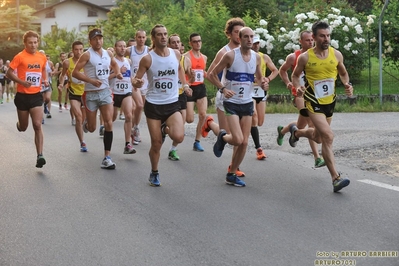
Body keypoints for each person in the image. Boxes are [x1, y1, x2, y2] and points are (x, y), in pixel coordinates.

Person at [291, 21, 353, 192]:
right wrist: (297, 87)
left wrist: (347, 84)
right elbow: (295, 76)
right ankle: (335, 178)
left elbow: (343, 72)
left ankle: (296, 132)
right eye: (322, 36)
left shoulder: (336, 55)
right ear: (314, 37)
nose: (326, 39)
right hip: (313, 102)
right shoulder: (305, 57)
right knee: (328, 136)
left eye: (328, 35)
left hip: (330, 102)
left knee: (319, 137)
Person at [208, 27, 268, 187]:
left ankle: (231, 173)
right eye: (246, 37)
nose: (249, 40)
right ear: (240, 39)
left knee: (244, 143)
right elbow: (211, 74)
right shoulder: (230, 56)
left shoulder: (257, 58)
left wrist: (264, 83)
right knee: (237, 139)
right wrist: (222, 88)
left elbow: (259, 78)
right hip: (231, 103)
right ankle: (222, 137)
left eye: (251, 37)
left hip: (247, 102)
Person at [132, 24, 190, 186]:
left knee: (179, 136)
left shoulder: (176, 54)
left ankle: (165, 129)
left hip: (172, 103)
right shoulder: (148, 59)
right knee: (156, 144)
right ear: (153, 38)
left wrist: (184, 85)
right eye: (159, 34)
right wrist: (135, 81)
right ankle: (154, 172)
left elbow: (179, 68)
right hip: (154, 105)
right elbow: (137, 80)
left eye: (165, 34)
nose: (163, 37)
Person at [72, 28, 123, 169]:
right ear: (90, 41)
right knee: (93, 128)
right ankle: (87, 124)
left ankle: (107, 157)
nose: (98, 41)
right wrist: (91, 80)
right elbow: (75, 73)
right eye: (95, 39)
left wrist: (118, 73)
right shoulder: (86, 55)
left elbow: (114, 64)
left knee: (108, 123)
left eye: (100, 38)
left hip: (106, 92)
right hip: (91, 94)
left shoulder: (108, 53)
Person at [205, 17, 246, 177]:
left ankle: (234, 167)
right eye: (236, 32)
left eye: (241, 32)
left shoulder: (248, 52)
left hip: (243, 99)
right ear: (229, 34)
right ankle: (210, 124)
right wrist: (222, 88)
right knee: (227, 132)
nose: (239, 35)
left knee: (240, 137)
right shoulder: (224, 52)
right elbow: (209, 74)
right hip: (225, 96)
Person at [277, 30, 325, 168]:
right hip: (299, 94)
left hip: (314, 94)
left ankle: (283, 131)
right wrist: (288, 83)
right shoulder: (294, 57)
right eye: (307, 40)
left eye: (311, 40)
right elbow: (282, 70)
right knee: (312, 125)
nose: (310, 42)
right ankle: (317, 157)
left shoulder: (317, 55)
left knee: (301, 125)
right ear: (300, 41)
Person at [6, 30, 49, 168]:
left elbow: (43, 69)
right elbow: (9, 73)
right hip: (22, 96)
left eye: (35, 42)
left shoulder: (42, 57)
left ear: (38, 42)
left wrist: (45, 79)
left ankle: (40, 155)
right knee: (24, 127)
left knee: (37, 125)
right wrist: (22, 82)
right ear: (25, 43)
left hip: (36, 95)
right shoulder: (20, 56)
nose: (33, 45)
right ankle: (20, 125)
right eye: (30, 42)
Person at [250, 35, 279, 160]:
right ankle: (259, 148)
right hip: (249, 90)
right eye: (254, 43)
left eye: (258, 43)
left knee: (260, 122)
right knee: (254, 117)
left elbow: (275, 70)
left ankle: (245, 123)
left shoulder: (264, 57)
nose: (256, 45)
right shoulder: (246, 56)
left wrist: (268, 79)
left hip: (261, 91)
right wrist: (253, 79)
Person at [167, 33, 193, 160]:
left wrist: (190, 80)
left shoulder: (185, 60)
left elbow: (189, 78)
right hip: (167, 96)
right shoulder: (165, 58)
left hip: (181, 94)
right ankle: (164, 130)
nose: (176, 44)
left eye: (178, 42)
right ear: (169, 45)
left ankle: (173, 149)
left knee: (181, 126)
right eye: (173, 42)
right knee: (169, 126)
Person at [58, 41, 88, 152]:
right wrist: (61, 84)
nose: (79, 52)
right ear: (72, 50)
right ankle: (82, 142)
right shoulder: (67, 63)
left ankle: (87, 124)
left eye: (81, 49)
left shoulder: (87, 61)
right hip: (73, 92)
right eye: (76, 49)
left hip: (86, 92)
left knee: (86, 120)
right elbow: (62, 75)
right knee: (79, 118)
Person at [109, 40, 136, 154]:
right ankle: (106, 136)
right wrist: (117, 72)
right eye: (120, 46)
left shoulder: (128, 61)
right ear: (115, 48)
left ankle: (127, 144)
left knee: (129, 116)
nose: (123, 48)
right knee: (112, 118)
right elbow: (106, 78)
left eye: (124, 46)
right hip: (114, 93)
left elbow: (130, 75)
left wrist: (134, 83)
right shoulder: (111, 62)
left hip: (126, 92)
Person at [184, 33, 208, 152]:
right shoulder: (186, 57)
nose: (198, 43)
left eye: (199, 41)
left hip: (201, 87)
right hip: (189, 88)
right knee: (189, 119)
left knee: (203, 115)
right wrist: (190, 77)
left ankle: (197, 142)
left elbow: (203, 72)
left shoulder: (204, 57)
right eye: (195, 41)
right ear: (190, 43)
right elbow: (184, 75)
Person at [125, 30, 149, 145]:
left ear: (146, 38)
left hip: (145, 83)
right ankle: (135, 129)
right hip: (133, 83)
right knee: (139, 105)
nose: (141, 39)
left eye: (143, 37)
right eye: (139, 37)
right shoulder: (129, 50)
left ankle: (135, 127)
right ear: (136, 38)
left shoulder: (149, 50)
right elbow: (118, 59)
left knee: (140, 107)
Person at [38, 50, 53, 123]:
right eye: (40, 54)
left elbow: (49, 72)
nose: (42, 55)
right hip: (39, 84)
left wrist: (49, 76)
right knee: (41, 100)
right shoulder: (36, 62)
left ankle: (45, 106)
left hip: (47, 83)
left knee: (48, 98)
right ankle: (41, 118)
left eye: (43, 54)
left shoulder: (47, 63)